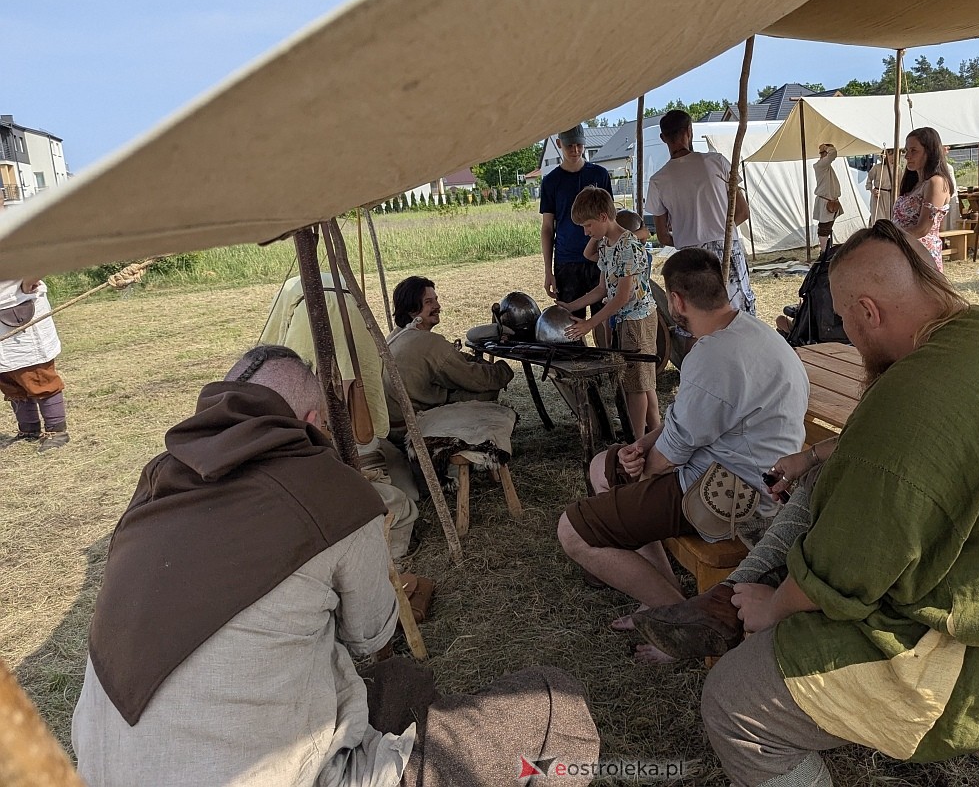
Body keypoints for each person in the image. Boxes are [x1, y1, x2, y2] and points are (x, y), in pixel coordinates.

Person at [686, 221, 979, 787]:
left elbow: (844, 573)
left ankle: (737, 607)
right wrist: (815, 457)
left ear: (869, 313)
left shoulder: (912, 395)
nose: (850, 338)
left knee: (735, 702)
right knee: (817, 484)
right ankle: (724, 599)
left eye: (847, 322)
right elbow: (920, 450)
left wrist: (773, 608)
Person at [72, 345, 599, 787]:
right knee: (556, 703)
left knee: (402, 683)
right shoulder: (329, 495)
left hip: (104, 766)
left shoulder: (156, 485)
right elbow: (370, 636)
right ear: (309, 422)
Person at [557, 247, 807, 662]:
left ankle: (674, 617)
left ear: (674, 300)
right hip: (754, 480)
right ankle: (662, 590)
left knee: (572, 530)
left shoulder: (711, 356)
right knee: (603, 466)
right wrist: (642, 446)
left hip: (727, 494)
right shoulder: (758, 333)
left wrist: (640, 465)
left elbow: (669, 459)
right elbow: (684, 426)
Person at [262, 274, 419, 562]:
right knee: (338, 401)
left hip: (315, 319)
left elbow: (270, 348)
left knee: (333, 399)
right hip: (322, 317)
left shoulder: (301, 292)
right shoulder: (319, 297)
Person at [559, 186, 660, 437]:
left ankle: (636, 441)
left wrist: (591, 323)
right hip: (625, 318)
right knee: (642, 382)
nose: (586, 232)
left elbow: (622, 297)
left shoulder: (628, 245)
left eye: (588, 225)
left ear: (604, 217)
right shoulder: (607, 244)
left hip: (637, 318)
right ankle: (655, 434)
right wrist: (572, 306)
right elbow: (602, 289)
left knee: (637, 386)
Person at [645, 109, 757, 315]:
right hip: (727, 247)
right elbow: (742, 211)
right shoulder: (716, 162)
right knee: (737, 311)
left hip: (690, 256)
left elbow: (661, 236)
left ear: (663, 138)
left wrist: (686, 239)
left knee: (699, 315)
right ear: (689, 131)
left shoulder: (658, 180)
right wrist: (721, 231)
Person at [385, 275, 514, 417]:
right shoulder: (429, 342)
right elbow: (476, 379)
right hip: (410, 423)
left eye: (436, 300)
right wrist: (503, 370)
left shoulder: (396, 335)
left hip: (392, 420)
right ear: (412, 310)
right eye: (429, 302)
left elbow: (451, 358)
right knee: (486, 390)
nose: (437, 306)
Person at [540, 123, 613, 345]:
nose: (575, 150)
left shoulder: (599, 175)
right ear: (559, 144)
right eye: (570, 146)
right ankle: (578, 372)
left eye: (579, 145)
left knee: (605, 318)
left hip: (599, 259)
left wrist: (611, 255)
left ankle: (609, 362)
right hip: (567, 262)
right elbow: (547, 228)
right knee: (570, 322)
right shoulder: (551, 181)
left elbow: (611, 219)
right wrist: (547, 270)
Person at [0, 273, 70, 452]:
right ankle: (28, 428)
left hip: (17, 306)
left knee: (37, 374)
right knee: (8, 378)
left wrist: (30, 278)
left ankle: (56, 430)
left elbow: (39, 251)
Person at [892, 126, 954, 271]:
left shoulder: (936, 182)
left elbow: (923, 228)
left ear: (930, 152)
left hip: (921, 256)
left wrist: (889, 236)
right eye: (906, 151)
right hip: (903, 251)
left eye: (914, 151)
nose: (907, 156)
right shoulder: (915, 184)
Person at [812, 143, 842, 252]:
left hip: (832, 202)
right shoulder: (821, 165)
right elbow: (833, 153)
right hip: (825, 203)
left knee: (827, 227)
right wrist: (827, 147)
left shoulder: (826, 166)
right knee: (824, 228)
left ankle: (826, 251)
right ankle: (824, 252)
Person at [864, 150, 896, 224]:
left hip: (890, 196)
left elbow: (900, 184)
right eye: (890, 155)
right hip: (878, 196)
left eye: (892, 155)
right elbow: (868, 181)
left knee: (889, 218)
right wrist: (872, 190)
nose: (891, 157)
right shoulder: (877, 168)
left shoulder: (897, 169)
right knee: (877, 218)